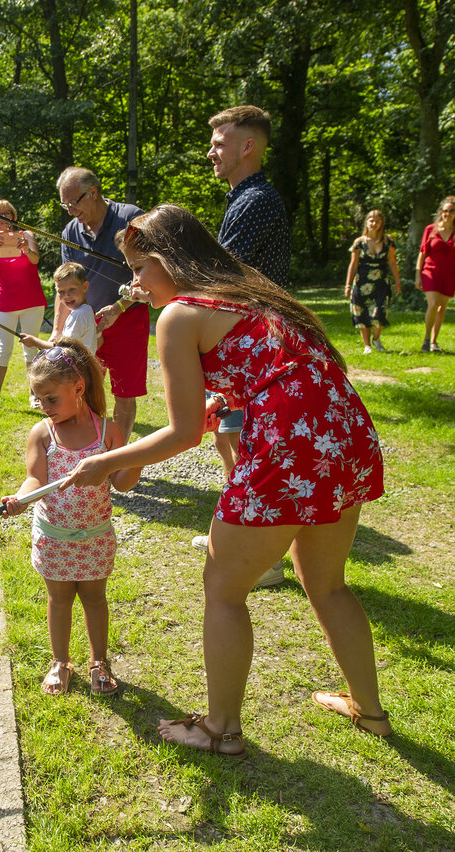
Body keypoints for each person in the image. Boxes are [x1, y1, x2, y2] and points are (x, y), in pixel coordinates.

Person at [63, 205, 391, 754]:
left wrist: (103, 464)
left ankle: (220, 729)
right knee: (327, 583)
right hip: (342, 435)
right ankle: (370, 712)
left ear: (169, 259)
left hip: (289, 447)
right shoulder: (251, 293)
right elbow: (269, 370)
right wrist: (227, 401)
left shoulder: (181, 315)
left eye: (140, 268)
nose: (135, 282)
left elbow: (182, 434)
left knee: (223, 589)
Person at [1, 338, 142, 696]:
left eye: (51, 398)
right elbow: (36, 478)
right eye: (39, 398)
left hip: (95, 536)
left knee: (95, 599)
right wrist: (22, 496)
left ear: (78, 388)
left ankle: (99, 661)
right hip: (54, 537)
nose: (43, 406)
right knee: (59, 600)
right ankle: (60, 661)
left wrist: (136, 455)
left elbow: (123, 483)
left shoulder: (106, 432)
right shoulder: (43, 434)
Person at [193, 104, 292, 586]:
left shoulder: (256, 200)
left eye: (219, 142)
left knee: (250, 442)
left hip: (261, 341)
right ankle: (240, 535)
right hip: (247, 338)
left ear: (247, 146)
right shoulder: (242, 197)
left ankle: (266, 559)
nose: (211, 151)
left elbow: (222, 273)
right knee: (228, 434)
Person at [56, 167, 146, 442]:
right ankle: (91, 448)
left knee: (124, 392)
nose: (70, 210)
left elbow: (148, 273)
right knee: (81, 389)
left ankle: (117, 456)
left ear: (93, 192)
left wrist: (119, 308)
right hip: (86, 323)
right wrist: (58, 333)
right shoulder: (69, 232)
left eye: (73, 203)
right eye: (65, 205)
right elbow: (63, 286)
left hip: (128, 318)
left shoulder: (130, 218)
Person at [0, 200, 46, 411]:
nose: (4, 217)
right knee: (3, 348)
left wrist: (26, 248)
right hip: (5, 301)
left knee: (31, 349)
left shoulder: (27, 235)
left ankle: (34, 396)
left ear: (14, 215)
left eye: (7, 213)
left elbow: (35, 260)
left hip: (31, 300)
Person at [415, 196, 455, 352]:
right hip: (430, 271)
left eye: (451, 211)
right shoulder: (430, 229)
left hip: (449, 273)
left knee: (441, 308)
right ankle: (426, 340)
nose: (447, 214)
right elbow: (422, 254)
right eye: (445, 210)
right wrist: (418, 275)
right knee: (432, 304)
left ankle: (434, 341)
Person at [344, 209, 402, 354]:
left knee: (380, 312)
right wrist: (348, 284)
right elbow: (353, 264)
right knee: (361, 313)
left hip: (381, 282)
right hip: (361, 282)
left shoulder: (388, 241)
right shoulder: (359, 243)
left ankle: (376, 339)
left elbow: (392, 262)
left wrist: (397, 281)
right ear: (367, 222)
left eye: (377, 221)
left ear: (381, 223)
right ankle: (367, 345)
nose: (374, 223)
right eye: (371, 220)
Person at [19, 262, 101, 356]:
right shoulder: (87, 310)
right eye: (61, 291)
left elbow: (62, 349)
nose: (67, 295)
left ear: (85, 286)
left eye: (72, 289)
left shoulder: (78, 315)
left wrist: (34, 341)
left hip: (74, 369)